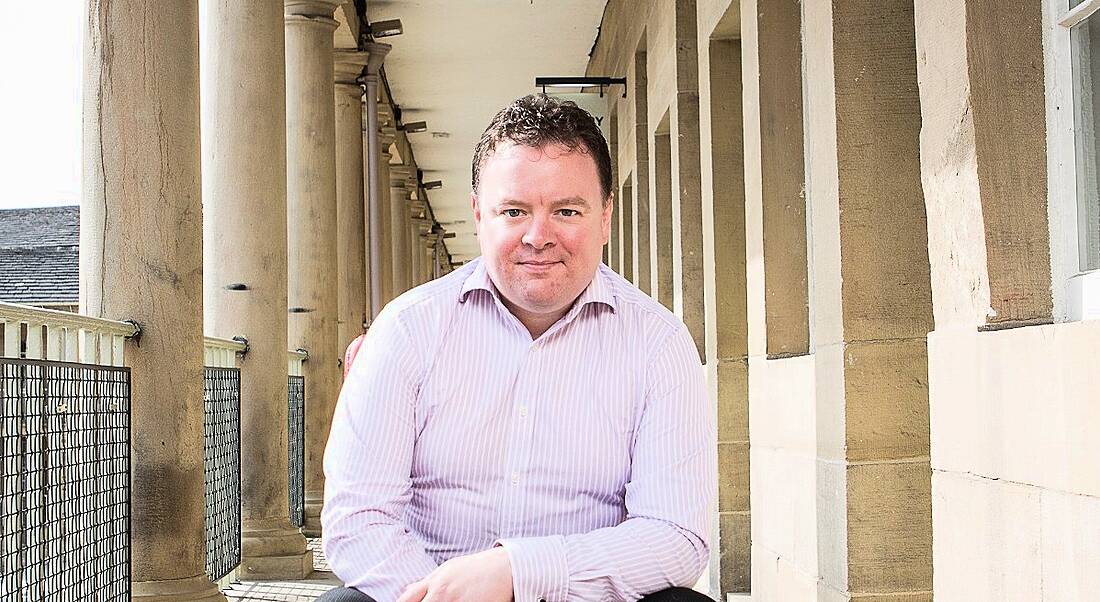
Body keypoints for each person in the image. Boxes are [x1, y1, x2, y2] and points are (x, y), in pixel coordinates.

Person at [319, 94, 717, 602]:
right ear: (479, 216)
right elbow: (359, 520)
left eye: (567, 211)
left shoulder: (658, 344)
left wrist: (520, 572)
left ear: (605, 217)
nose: (538, 236)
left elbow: (675, 537)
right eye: (514, 211)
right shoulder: (407, 330)